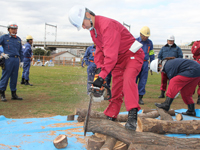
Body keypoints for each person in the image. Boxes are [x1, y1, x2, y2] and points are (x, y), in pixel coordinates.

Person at [69, 5, 145, 130]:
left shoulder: (107, 26)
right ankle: (111, 115)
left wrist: (102, 75)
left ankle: (132, 114)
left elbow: (110, 56)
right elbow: (99, 49)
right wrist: (99, 70)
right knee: (116, 88)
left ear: (87, 15)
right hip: (118, 60)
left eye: (82, 24)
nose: (83, 27)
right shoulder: (94, 31)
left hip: (132, 55)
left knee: (128, 80)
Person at [0, 22, 23, 102]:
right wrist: (1, 53)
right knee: (5, 77)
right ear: (9, 29)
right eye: (12, 29)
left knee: (14, 77)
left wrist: (22, 61)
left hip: (16, 60)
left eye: (15, 29)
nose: (13, 30)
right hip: (8, 59)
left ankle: (14, 94)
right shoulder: (4, 37)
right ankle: (2, 93)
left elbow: (21, 51)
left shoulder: (18, 39)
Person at [136, 26, 154, 105]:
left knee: (143, 81)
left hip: (145, 63)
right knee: (133, 80)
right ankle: (132, 96)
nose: (146, 38)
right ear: (140, 34)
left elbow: (151, 53)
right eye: (144, 36)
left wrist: (152, 64)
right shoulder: (135, 41)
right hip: (136, 62)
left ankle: (140, 97)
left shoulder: (150, 42)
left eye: (147, 36)